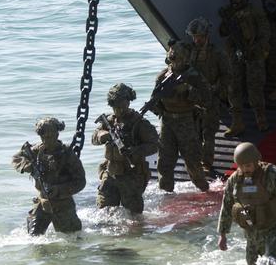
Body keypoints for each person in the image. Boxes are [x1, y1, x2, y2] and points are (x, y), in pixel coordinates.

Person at [217, 142, 276, 265]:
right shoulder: (235, 180)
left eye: (248, 165)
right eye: (241, 166)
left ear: (256, 161)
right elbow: (227, 205)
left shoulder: (274, 175)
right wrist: (222, 234)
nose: (245, 169)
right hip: (253, 233)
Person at [151, 41, 211, 192]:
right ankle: (166, 192)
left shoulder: (193, 76)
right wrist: (160, 108)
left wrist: (188, 90)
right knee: (164, 161)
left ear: (185, 59)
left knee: (192, 160)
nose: (176, 63)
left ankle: (204, 189)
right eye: (173, 59)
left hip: (186, 120)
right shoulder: (163, 77)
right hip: (167, 121)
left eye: (178, 59)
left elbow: (207, 97)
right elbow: (154, 101)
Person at [92, 83, 160, 213]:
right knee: (104, 212)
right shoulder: (109, 121)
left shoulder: (139, 123)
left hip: (131, 175)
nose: (119, 109)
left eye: (122, 105)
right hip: (111, 173)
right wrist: (103, 136)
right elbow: (94, 138)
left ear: (128, 102)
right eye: (115, 106)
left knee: (134, 215)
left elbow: (155, 145)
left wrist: (136, 150)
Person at [12, 117, 86, 235]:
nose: (48, 140)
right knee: (33, 237)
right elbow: (16, 159)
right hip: (42, 202)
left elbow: (80, 181)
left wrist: (58, 190)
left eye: (51, 136)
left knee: (72, 238)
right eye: (45, 137)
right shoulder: (35, 151)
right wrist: (27, 166)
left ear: (57, 134)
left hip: (63, 203)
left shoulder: (67, 153)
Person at [219, 0, 272, 134]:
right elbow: (222, 32)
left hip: (253, 54)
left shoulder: (254, 11)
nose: (235, 1)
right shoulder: (228, 13)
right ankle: (237, 123)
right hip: (235, 54)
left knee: (255, 87)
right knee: (233, 88)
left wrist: (256, 49)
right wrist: (227, 22)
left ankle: (261, 119)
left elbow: (265, 32)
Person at [186, 17, 230, 174]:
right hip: (193, 99)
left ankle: (207, 162)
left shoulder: (217, 54)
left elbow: (226, 75)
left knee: (209, 133)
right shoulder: (189, 51)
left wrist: (216, 89)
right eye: (194, 37)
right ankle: (196, 160)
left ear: (206, 36)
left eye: (200, 37)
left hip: (210, 99)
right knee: (194, 133)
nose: (197, 40)